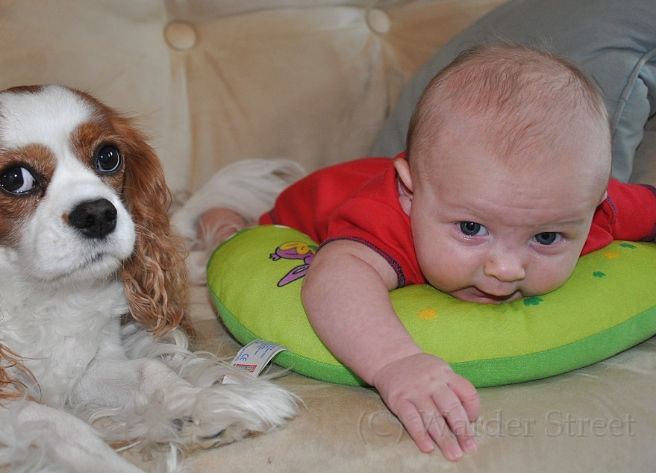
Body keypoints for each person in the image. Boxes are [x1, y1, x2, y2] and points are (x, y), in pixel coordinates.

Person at [191, 44, 656, 461]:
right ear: (410, 194)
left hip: (427, 178)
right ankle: (222, 217)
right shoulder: (386, 220)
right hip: (315, 201)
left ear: (594, 204)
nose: (506, 268)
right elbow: (334, 278)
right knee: (239, 234)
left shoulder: (584, 204)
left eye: (547, 238)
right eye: (472, 229)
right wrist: (395, 362)